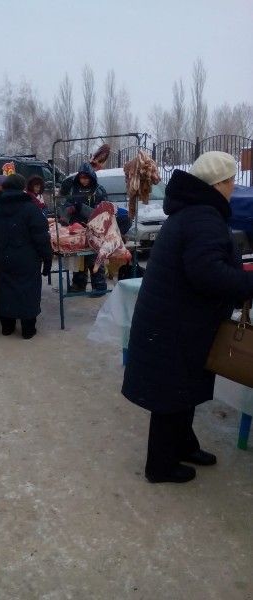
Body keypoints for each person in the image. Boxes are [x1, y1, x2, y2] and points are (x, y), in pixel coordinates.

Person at [122, 151, 253, 484]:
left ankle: (182, 445)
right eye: (231, 181)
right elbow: (208, 274)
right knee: (172, 393)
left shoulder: (194, 212)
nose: (233, 187)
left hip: (177, 321)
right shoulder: (202, 218)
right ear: (219, 183)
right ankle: (160, 466)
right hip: (177, 325)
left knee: (183, 389)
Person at [0, 173, 52, 339]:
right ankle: (28, 329)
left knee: (6, 289)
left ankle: (7, 327)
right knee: (28, 290)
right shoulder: (30, 208)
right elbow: (41, 237)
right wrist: (47, 258)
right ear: (23, 188)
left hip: (4, 257)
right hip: (27, 258)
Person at [59, 162, 108, 296]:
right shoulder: (73, 189)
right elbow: (64, 206)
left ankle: (99, 286)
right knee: (78, 259)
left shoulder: (99, 191)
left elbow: (102, 213)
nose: (84, 180)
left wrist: (81, 208)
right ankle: (78, 285)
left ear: (91, 177)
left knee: (94, 258)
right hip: (76, 229)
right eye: (81, 177)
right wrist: (66, 213)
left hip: (95, 229)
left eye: (86, 177)